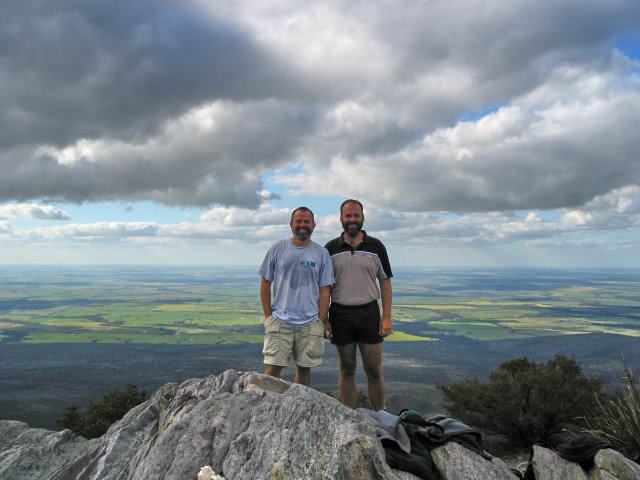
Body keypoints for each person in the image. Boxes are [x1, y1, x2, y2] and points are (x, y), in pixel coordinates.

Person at [324, 199, 393, 410]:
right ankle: (349, 417)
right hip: (340, 314)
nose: (352, 220)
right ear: (341, 219)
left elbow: (385, 282)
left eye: (356, 216)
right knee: (347, 369)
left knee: (374, 370)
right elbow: (324, 287)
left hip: (369, 313)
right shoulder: (330, 248)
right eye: (348, 216)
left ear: (362, 218)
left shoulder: (376, 246)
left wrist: (387, 316)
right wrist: (324, 319)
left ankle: (381, 416)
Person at [259, 206, 334, 386]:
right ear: (291, 224)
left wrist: (320, 320)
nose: (302, 225)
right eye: (298, 221)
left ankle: (299, 406)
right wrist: (269, 317)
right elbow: (265, 282)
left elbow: (325, 290)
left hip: (309, 322)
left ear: (313, 225)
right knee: (272, 369)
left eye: (306, 221)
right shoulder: (278, 248)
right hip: (280, 320)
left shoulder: (321, 253)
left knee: (304, 369)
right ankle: (267, 408)